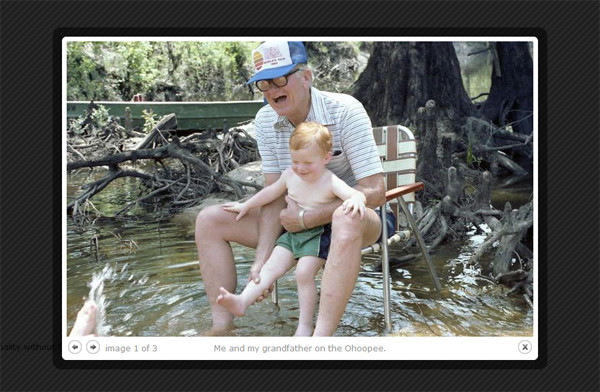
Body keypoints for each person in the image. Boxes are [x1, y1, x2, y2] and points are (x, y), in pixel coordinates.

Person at [195, 41, 392, 336]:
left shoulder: (346, 111)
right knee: (208, 219)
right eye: (264, 83)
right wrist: (261, 262)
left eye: (280, 79)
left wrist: (308, 219)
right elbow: (274, 196)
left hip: (357, 220)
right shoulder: (265, 119)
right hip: (296, 226)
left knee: (346, 216)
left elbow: (375, 191)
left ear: (306, 77)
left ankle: (318, 341)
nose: (273, 90)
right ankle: (222, 328)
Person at [216, 122, 366, 336]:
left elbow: (356, 194)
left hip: (319, 234)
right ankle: (242, 301)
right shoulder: (290, 175)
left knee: (303, 274)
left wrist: (358, 199)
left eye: (307, 162)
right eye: (296, 161)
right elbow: (270, 193)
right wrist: (246, 204)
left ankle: (304, 327)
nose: (301, 168)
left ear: (326, 158)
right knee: (269, 268)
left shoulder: (330, 180)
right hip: (292, 234)